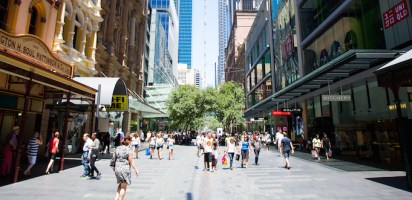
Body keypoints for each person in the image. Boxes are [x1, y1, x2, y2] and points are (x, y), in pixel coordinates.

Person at [112, 134, 139, 200]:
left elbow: (113, 158)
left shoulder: (117, 148)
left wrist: (114, 167)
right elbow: (131, 161)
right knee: (124, 186)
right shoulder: (128, 150)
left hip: (117, 168)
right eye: (130, 140)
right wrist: (136, 169)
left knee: (120, 184)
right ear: (128, 141)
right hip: (124, 169)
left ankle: (116, 198)